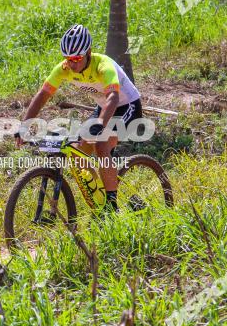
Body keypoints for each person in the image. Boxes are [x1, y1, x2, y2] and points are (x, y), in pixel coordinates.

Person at [15, 24, 143, 211]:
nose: (72, 64)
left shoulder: (103, 65)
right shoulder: (64, 69)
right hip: (103, 107)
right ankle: (100, 197)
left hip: (127, 105)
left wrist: (100, 124)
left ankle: (112, 206)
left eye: (76, 58)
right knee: (77, 151)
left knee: (101, 144)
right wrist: (24, 126)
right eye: (68, 58)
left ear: (88, 52)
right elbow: (43, 95)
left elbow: (113, 97)